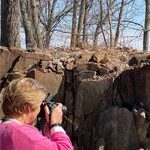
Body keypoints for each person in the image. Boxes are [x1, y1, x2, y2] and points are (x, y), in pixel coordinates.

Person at [0, 78, 74, 150]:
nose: (39, 110)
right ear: (28, 107)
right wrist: (55, 125)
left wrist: (43, 135)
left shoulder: (4, 128)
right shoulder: (25, 136)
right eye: (39, 105)